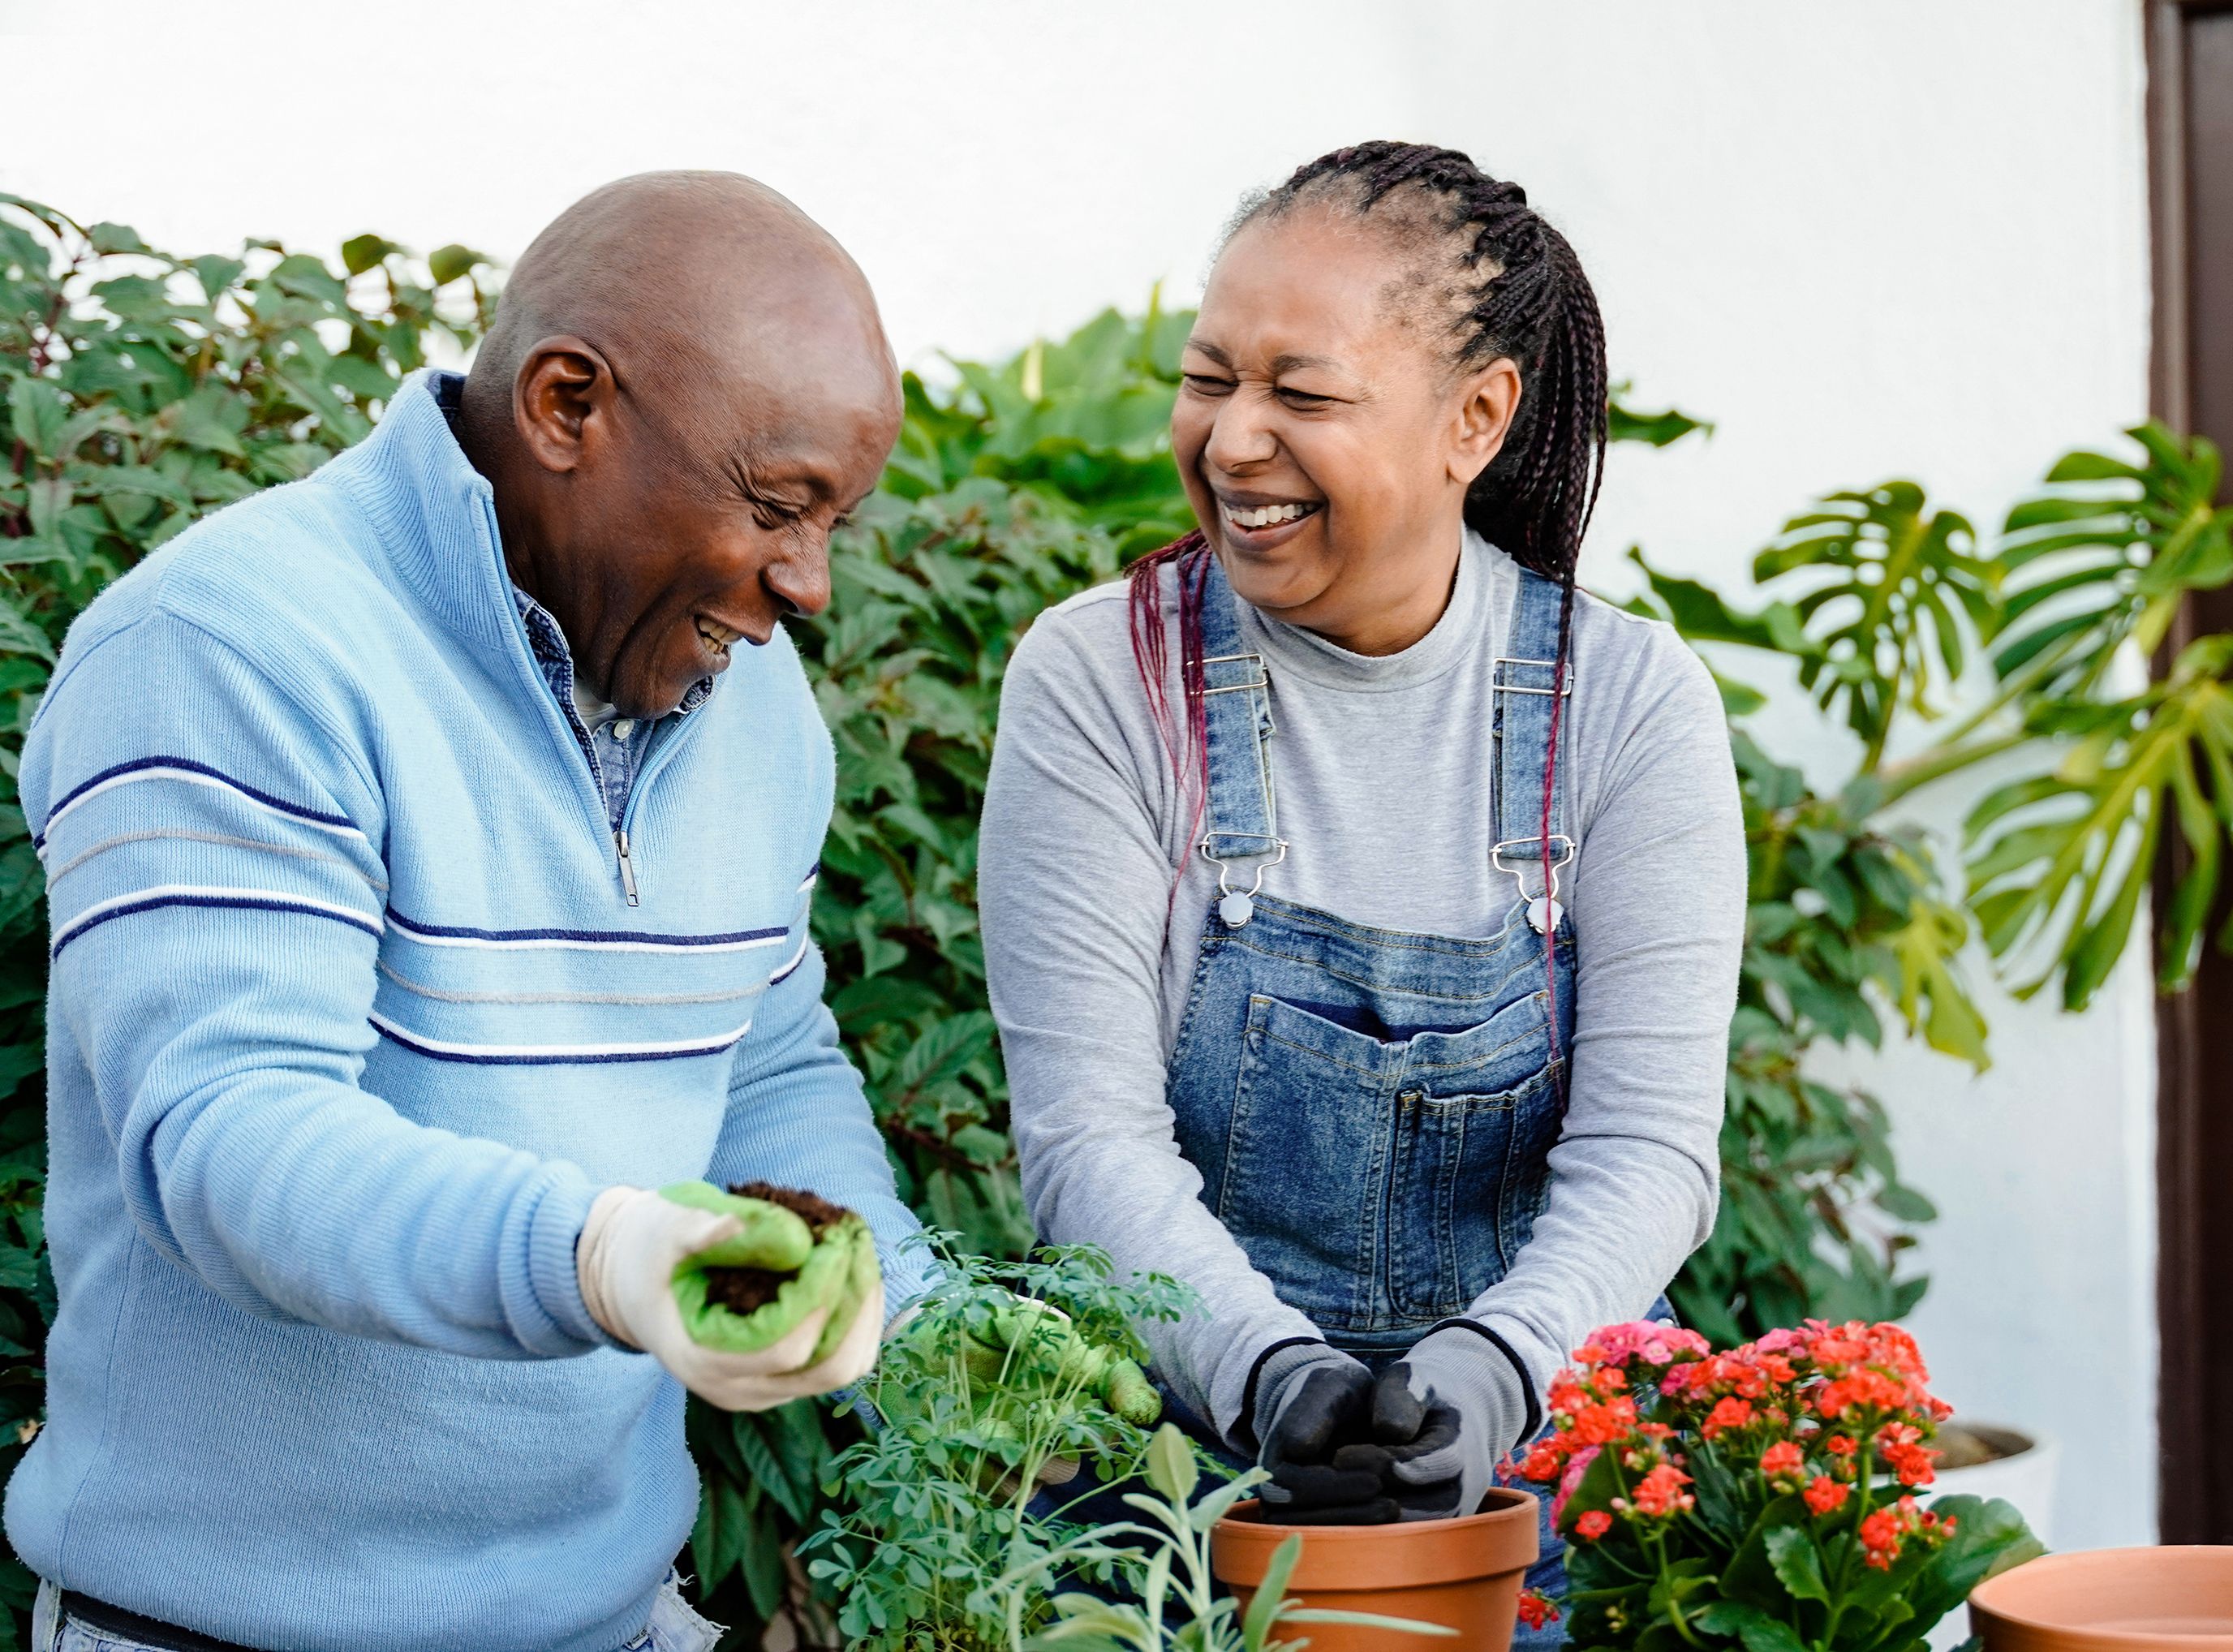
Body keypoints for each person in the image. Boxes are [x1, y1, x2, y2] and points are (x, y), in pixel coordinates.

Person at [7, 173, 927, 1652]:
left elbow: (762, 1064)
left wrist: (918, 1314)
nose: (806, 584)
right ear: (569, 405)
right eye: (775, 506)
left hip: (613, 1620)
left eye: (834, 519)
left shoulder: (758, 708)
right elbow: (234, 1142)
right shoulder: (234, 645)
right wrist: (612, 1258)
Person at [981, 143, 1743, 1631]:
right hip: (1177, 1482)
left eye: (1302, 394)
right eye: (1211, 380)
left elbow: (1651, 1150)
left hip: (1538, 1474)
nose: (1233, 440)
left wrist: (1494, 1367)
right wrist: (1274, 1378)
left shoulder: (1628, 705)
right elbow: (1084, 1140)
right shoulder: (1103, 681)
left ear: (1475, 418)